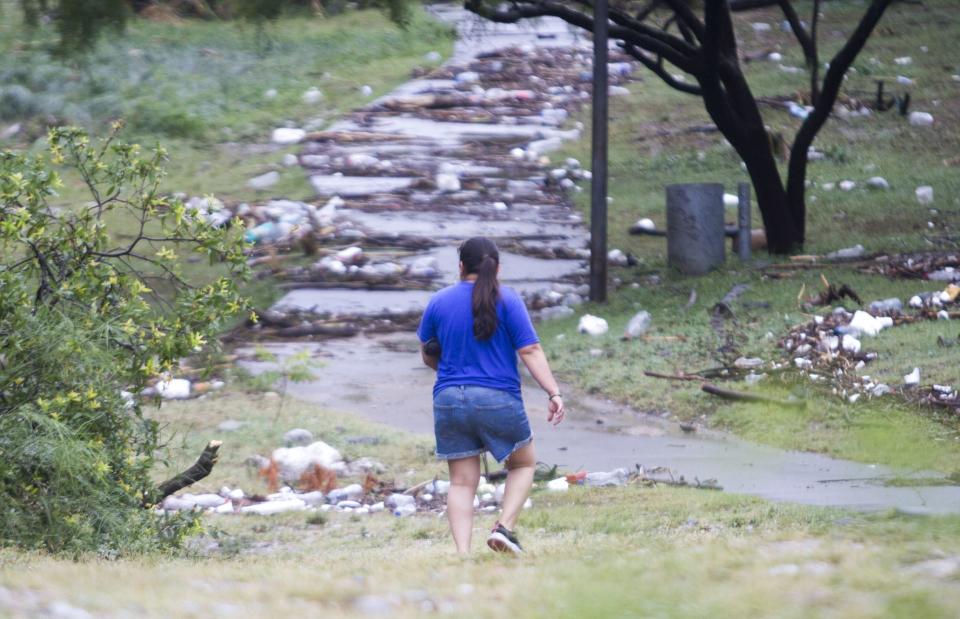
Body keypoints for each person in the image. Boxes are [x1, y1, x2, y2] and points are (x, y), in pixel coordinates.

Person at [416, 237, 565, 555]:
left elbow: (428, 353)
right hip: (497, 397)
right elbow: (529, 349)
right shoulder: (508, 300)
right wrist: (553, 392)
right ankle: (503, 528)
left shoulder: (439, 302)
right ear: (496, 268)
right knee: (523, 464)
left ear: (460, 267)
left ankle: (463, 555)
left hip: (448, 399)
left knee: (461, 482)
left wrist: (450, 372)